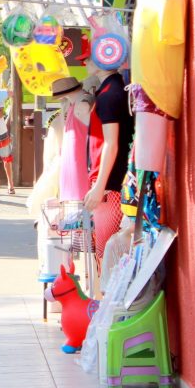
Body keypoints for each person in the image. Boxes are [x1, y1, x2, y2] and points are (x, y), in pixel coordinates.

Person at [83, 59, 134, 267]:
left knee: (107, 252)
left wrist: (99, 185)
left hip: (111, 184)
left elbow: (111, 144)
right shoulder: (112, 90)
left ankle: (104, 298)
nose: (85, 63)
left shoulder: (110, 94)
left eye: (88, 58)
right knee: (108, 250)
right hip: (110, 181)